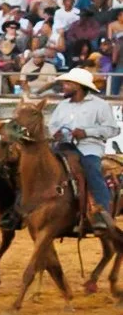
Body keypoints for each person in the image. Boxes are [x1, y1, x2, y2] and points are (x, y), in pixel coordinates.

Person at [49, 66, 117, 229]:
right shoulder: (63, 105)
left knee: (91, 170)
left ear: (78, 86)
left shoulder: (100, 105)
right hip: (63, 145)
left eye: (67, 83)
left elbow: (112, 129)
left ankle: (102, 212)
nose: (64, 85)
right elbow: (52, 125)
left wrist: (87, 132)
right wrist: (55, 133)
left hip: (89, 147)